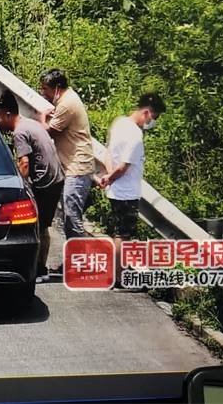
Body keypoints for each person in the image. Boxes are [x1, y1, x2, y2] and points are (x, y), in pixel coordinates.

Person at [0, 90, 65, 283]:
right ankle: (40, 267)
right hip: (56, 178)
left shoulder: (19, 132)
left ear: (7, 114)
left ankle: (39, 269)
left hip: (46, 181)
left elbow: (24, 164)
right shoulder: (30, 123)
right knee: (43, 225)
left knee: (36, 226)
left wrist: (18, 189)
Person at [97, 93, 166, 288]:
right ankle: (117, 278)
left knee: (120, 232)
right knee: (123, 234)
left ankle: (117, 274)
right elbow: (124, 167)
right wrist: (110, 177)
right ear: (147, 112)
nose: (153, 122)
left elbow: (109, 152)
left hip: (116, 190)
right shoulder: (135, 134)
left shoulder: (120, 123)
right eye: (155, 117)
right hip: (126, 191)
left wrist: (108, 178)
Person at [37, 69, 96, 246]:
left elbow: (48, 132)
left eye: (45, 89)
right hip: (74, 166)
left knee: (72, 219)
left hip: (77, 168)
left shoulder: (67, 104)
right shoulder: (67, 99)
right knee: (70, 218)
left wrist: (41, 117)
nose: (43, 93)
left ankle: (79, 264)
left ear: (57, 88)